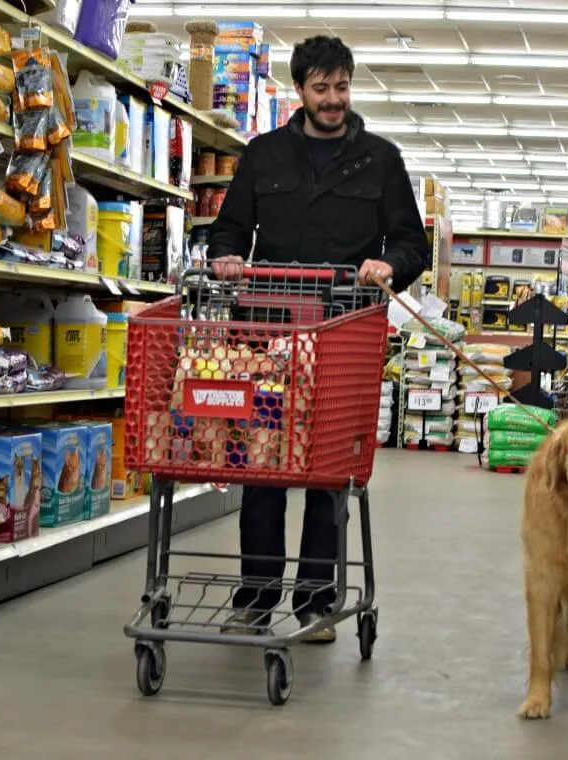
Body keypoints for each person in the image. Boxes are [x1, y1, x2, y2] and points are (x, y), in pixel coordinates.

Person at [206, 34, 430, 643]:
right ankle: (255, 598)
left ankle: (315, 603)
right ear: (299, 91)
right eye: (321, 88)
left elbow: (413, 242)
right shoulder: (263, 154)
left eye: (341, 87)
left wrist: (390, 266)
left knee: (328, 472)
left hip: (341, 333)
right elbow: (227, 230)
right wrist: (226, 257)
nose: (333, 99)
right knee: (263, 468)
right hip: (265, 331)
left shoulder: (381, 159)